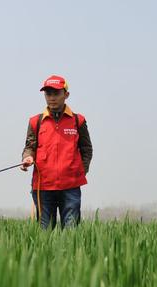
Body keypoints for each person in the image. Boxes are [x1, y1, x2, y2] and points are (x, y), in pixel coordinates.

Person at [21, 75, 93, 229]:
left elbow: (86, 149)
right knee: (45, 232)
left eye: (56, 93)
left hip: (71, 186)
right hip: (43, 186)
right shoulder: (36, 121)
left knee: (71, 230)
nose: (51, 98)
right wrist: (27, 157)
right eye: (48, 94)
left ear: (66, 95)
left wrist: (81, 171)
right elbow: (30, 147)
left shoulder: (78, 121)